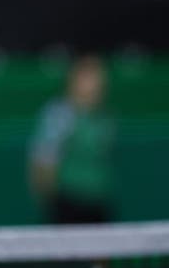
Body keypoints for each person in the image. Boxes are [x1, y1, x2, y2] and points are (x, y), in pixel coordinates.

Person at [28, 53, 116, 224]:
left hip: (98, 201)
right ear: (73, 80)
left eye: (99, 76)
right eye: (88, 77)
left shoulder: (106, 117)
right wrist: (53, 202)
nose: (96, 83)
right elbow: (42, 163)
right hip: (67, 204)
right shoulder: (60, 114)